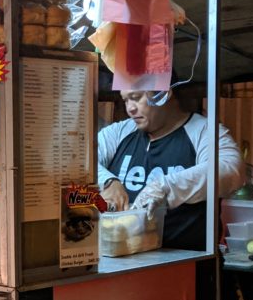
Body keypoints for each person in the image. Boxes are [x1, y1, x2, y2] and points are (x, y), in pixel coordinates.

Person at [98, 88, 244, 250]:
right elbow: (78, 158)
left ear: (163, 94)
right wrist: (107, 181)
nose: (130, 108)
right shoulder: (120, 132)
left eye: (136, 98)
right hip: (123, 257)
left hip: (186, 263)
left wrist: (166, 187)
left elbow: (230, 169)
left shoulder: (203, 131)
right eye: (126, 100)